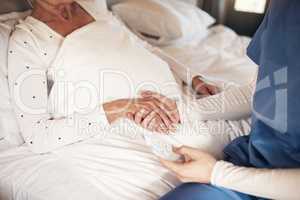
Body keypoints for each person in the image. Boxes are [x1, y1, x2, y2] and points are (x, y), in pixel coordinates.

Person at [156, 0, 300, 199]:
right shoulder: (284, 7)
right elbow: (261, 90)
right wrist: (182, 111)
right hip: (252, 165)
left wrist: (216, 173)